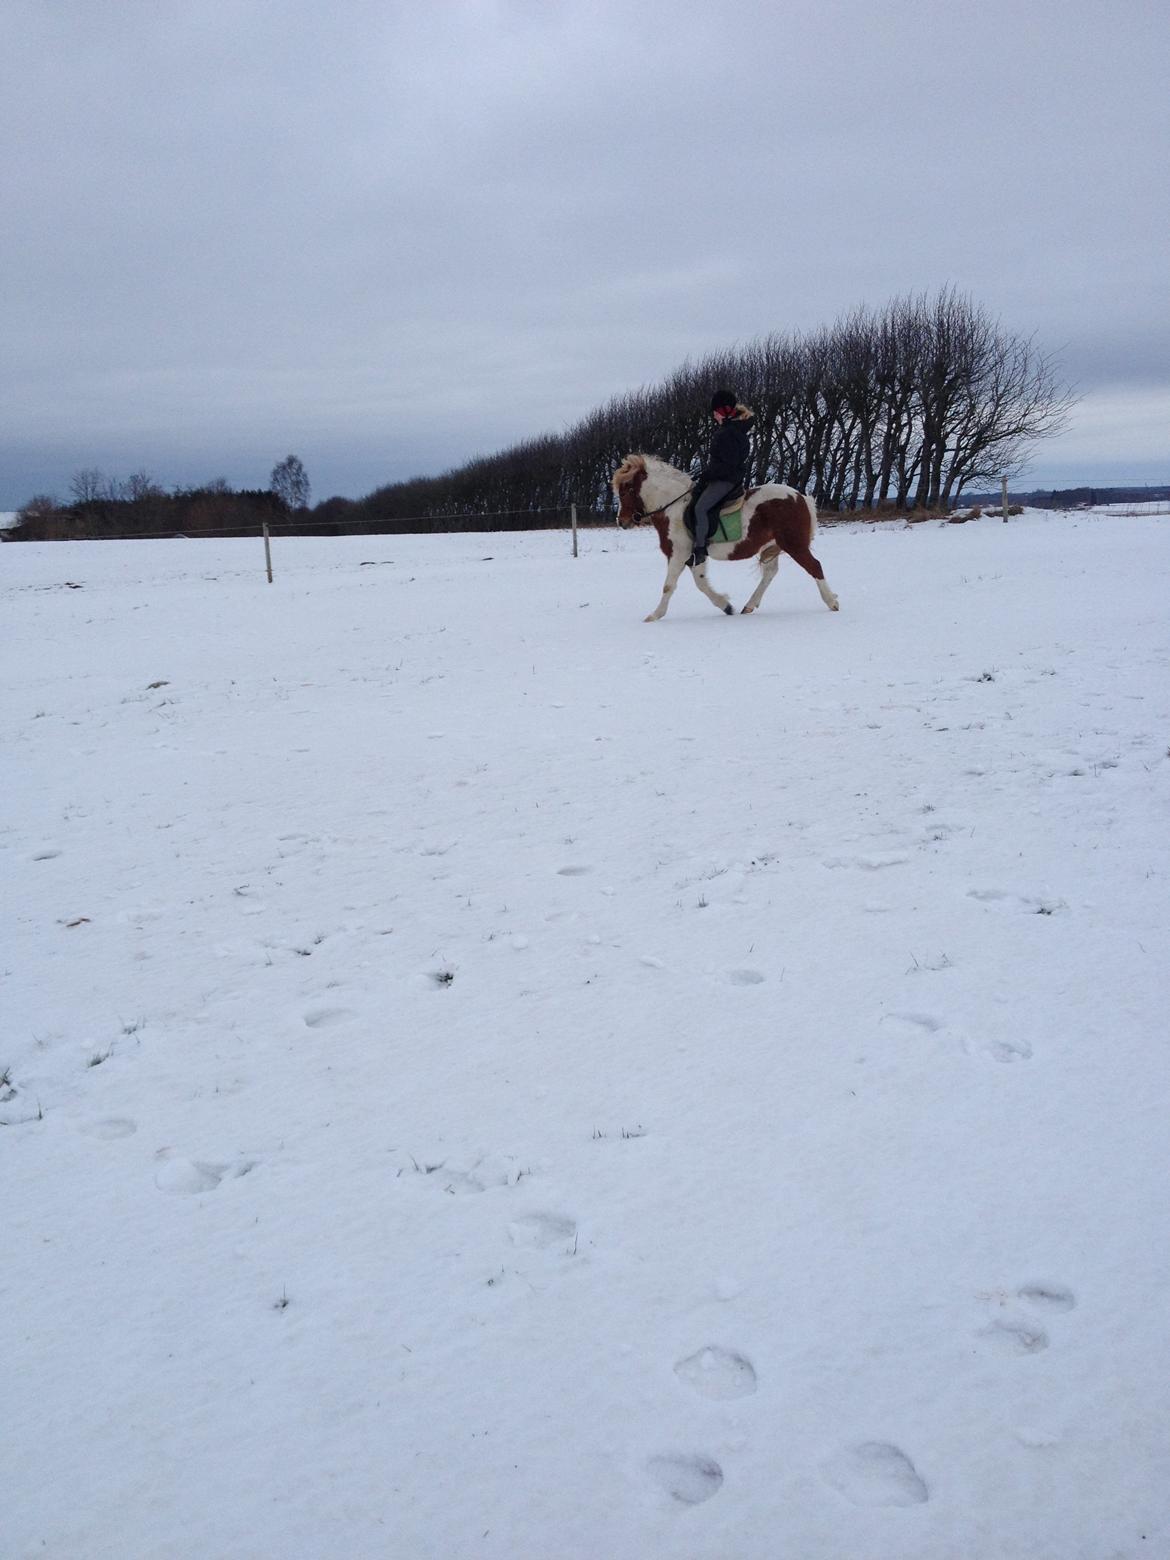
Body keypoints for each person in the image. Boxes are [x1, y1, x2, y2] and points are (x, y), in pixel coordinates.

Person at [689, 389, 755, 567]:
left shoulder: (729, 433)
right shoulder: (729, 430)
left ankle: (700, 550)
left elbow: (727, 464)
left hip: (726, 480)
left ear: (725, 411)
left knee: (701, 508)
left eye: (716, 412)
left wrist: (708, 475)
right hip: (722, 477)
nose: (714, 415)